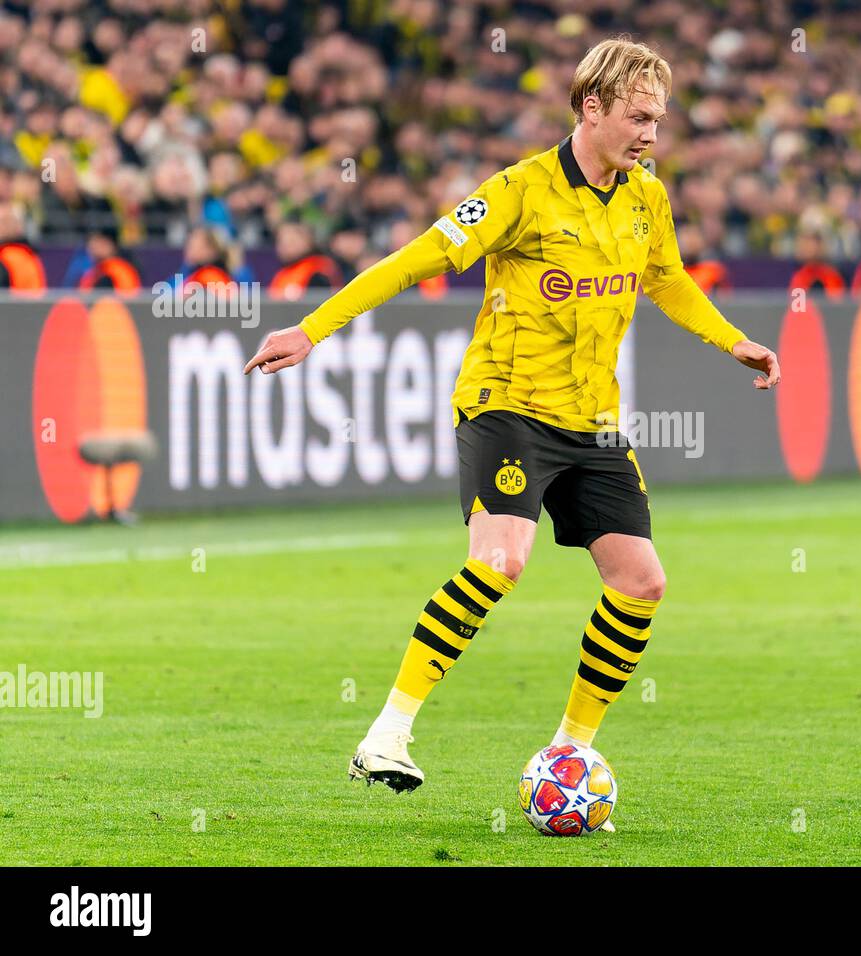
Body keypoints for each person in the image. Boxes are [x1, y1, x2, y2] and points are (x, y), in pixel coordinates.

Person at [241, 38, 780, 819]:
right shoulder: (518, 191)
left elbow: (668, 280)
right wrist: (313, 329)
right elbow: (412, 260)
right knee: (501, 560)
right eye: (638, 118)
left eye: (658, 122)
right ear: (590, 108)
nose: (650, 137)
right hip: (507, 406)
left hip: (593, 420)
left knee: (642, 581)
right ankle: (387, 734)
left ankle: (571, 748)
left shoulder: (645, 197)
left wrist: (732, 339)